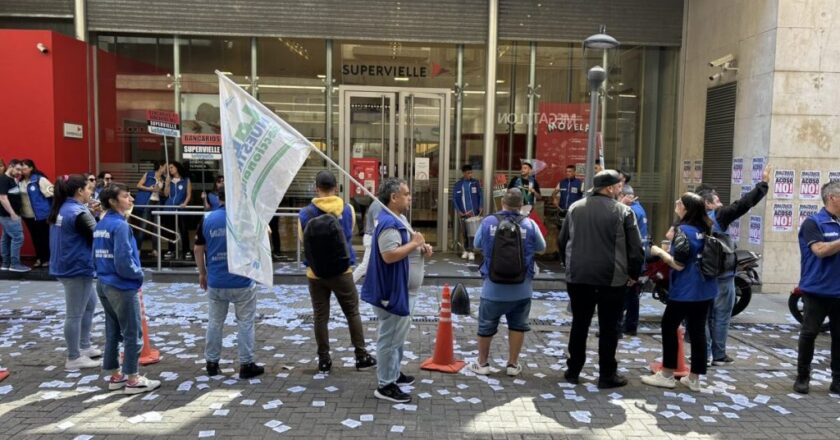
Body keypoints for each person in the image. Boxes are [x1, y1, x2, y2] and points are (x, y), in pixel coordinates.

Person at [558, 169, 644, 389]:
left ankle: (573, 371)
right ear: (609, 188)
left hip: (578, 277)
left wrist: (568, 265)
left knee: (580, 324)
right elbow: (635, 249)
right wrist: (634, 275)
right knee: (609, 328)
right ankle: (606, 374)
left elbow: (562, 240)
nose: (621, 189)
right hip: (612, 280)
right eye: (618, 186)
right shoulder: (624, 212)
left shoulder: (575, 208)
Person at [361, 177, 432, 403]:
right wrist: (414, 244)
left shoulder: (399, 218)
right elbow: (389, 255)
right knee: (390, 339)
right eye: (406, 194)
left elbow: (408, 246)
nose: (410, 197)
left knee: (397, 338)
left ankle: (393, 373)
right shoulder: (388, 224)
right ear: (394, 198)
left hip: (404, 292)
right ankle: (385, 384)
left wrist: (421, 247)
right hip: (393, 293)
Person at [299, 171, 376, 374]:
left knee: (320, 316)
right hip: (343, 272)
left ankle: (324, 360)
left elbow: (303, 241)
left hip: (315, 275)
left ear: (317, 188)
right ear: (335, 187)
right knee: (352, 312)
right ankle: (361, 355)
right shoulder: (347, 209)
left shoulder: (305, 213)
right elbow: (348, 235)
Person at [641, 192, 718, 392]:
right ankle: (694, 379)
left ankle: (667, 374)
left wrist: (659, 252)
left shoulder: (683, 231)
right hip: (705, 288)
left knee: (669, 326)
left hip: (685, 290)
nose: (676, 204)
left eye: (680, 202)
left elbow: (679, 264)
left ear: (687, 208)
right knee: (698, 331)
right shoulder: (706, 228)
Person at [696, 164, 770, 366]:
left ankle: (702, 354)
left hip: (702, 275)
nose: (720, 203)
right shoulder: (718, 216)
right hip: (722, 276)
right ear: (707, 203)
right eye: (717, 200)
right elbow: (743, 204)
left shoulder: (690, 219)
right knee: (721, 315)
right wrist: (763, 184)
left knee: (703, 316)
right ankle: (718, 354)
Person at [469, 188, 545, 377]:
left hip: (493, 288)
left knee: (486, 325)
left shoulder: (488, 222)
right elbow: (542, 248)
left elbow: (477, 245)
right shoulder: (529, 223)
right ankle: (512, 365)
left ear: (502, 202)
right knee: (518, 326)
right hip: (522, 288)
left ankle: (483, 364)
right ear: (521, 206)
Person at [93, 182, 160, 394]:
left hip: (103, 283)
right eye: (125, 196)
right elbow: (123, 260)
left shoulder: (102, 224)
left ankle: (115, 375)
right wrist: (137, 275)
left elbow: (95, 255)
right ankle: (132, 378)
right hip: (121, 285)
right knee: (132, 332)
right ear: (113, 202)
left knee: (113, 330)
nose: (131, 199)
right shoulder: (120, 225)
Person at [194, 189, 264, 379]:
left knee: (215, 322)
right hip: (242, 280)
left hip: (216, 280)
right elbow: (262, 241)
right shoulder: (246, 219)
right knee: (245, 323)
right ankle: (246, 363)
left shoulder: (208, 218)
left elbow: (198, 248)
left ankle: (211, 362)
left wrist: (202, 272)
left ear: (218, 198)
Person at [49, 174, 101, 371]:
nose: (91, 193)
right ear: (80, 191)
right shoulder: (77, 212)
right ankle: (73, 357)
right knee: (74, 314)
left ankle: (84, 346)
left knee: (89, 305)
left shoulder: (64, 208)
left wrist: (92, 214)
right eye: (88, 189)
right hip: (76, 267)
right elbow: (97, 234)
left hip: (67, 265)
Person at [793, 181, 840, 395]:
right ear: (832, 197)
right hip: (817, 290)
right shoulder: (814, 223)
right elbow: (820, 250)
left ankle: (837, 380)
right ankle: (803, 377)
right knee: (809, 333)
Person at [618, 184, 649, 336]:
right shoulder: (639, 208)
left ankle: (621, 325)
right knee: (632, 294)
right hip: (637, 257)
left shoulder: (630, 211)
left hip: (631, 258)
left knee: (626, 294)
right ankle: (629, 326)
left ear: (626, 196)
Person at [20, 159, 53, 267]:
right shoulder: (19, 182)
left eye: (24, 168)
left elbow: (52, 195)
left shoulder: (40, 180)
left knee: (45, 237)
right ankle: (39, 258)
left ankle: (47, 259)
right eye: (21, 169)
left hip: (42, 215)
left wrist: (52, 212)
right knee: (35, 238)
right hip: (27, 216)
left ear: (31, 168)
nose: (22, 171)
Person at [0, 160, 29, 272]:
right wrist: (12, 213)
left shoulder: (12, 179)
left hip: (9, 215)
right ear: (10, 166)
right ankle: (15, 264)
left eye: (21, 170)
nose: (19, 172)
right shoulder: (3, 179)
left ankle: (6, 264)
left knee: (6, 238)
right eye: (17, 169)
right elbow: (2, 198)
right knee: (18, 237)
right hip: (9, 215)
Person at [133, 161, 166, 255]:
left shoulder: (164, 178)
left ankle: (155, 250)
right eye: (165, 166)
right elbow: (138, 185)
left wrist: (160, 191)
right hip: (148, 201)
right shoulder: (149, 174)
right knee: (143, 225)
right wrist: (149, 189)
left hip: (157, 202)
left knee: (156, 226)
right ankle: (138, 249)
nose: (167, 169)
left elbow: (164, 194)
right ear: (160, 166)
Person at [453, 164, 483, 261]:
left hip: (474, 213)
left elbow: (480, 195)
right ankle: (465, 250)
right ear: (464, 173)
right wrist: (459, 211)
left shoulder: (475, 183)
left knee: (472, 233)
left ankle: (471, 251)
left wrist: (481, 206)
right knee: (465, 232)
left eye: (471, 173)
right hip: (464, 213)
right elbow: (455, 199)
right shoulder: (458, 185)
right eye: (468, 173)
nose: (470, 175)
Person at [163, 161, 192, 260]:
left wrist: (185, 203)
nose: (170, 170)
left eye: (171, 167)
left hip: (181, 208)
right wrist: (166, 184)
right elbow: (166, 195)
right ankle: (171, 250)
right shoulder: (169, 180)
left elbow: (188, 194)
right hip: (169, 208)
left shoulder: (186, 180)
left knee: (183, 230)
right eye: (169, 168)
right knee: (170, 230)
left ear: (177, 167)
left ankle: (186, 250)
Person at [352, 198, 383, 283]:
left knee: (375, 265)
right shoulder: (378, 204)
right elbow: (377, 225)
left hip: (373, 237)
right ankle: (349, 283)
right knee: (365, 265)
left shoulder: (379, 204)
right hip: (372, 238)